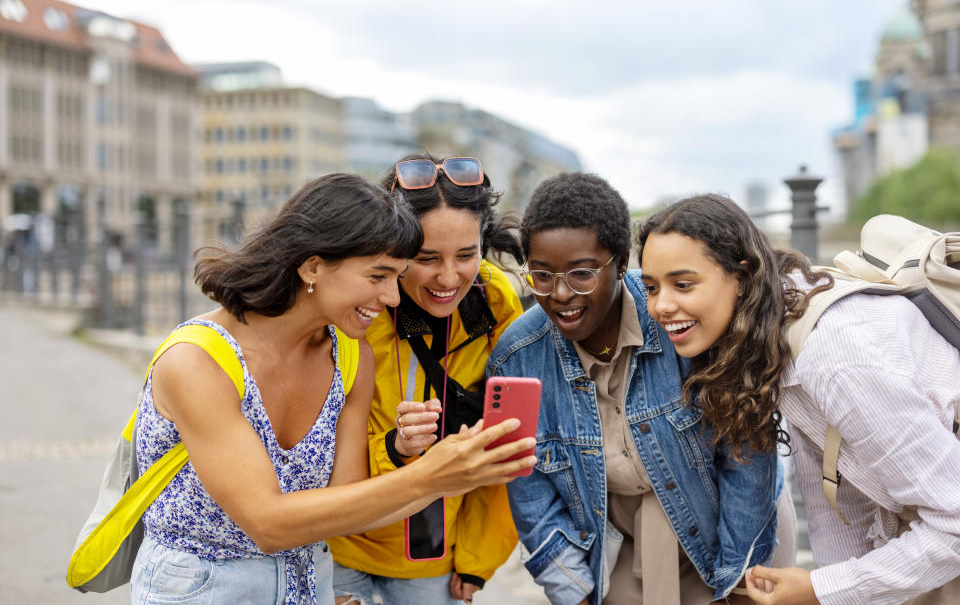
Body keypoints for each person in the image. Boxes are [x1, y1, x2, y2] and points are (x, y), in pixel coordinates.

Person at [130, 173, 536, 605]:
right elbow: (266, 524)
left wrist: (452, 473)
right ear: (312, 265)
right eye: (379, 275)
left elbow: (348, 505)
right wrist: (431, 474)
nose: (394, 298)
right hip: (205, 590)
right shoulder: (197, 362)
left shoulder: (349, 357)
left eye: (396, 276)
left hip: (308, 586)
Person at [635, 194, 960, 605]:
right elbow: (835, 498)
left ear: (742, 275)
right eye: (650, 287)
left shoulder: (836, 358)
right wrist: (830, 587)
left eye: (683, 284)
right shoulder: (778, 333)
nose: (661, 306)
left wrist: (821, 589)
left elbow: (955, 520)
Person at [487, 173, 794, 605]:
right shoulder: (516, 358)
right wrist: (573, 590)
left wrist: (739, 582)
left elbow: (744, 461)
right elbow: (530, 491)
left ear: (621, 264)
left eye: (581, 274)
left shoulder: (682, 322)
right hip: (614, 540)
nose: (559, 294)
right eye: (541, 274)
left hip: (737, 522)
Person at [328, 155, 525, 605]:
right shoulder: (359, 308)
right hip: (336, 545)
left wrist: (477, 561)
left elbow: (507, 447)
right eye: (426, 258)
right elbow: (312, 439)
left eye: (466, 255)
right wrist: (394, 448)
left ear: (484, 243)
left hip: (432, 559)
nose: (448, 278)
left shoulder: (494, 304)